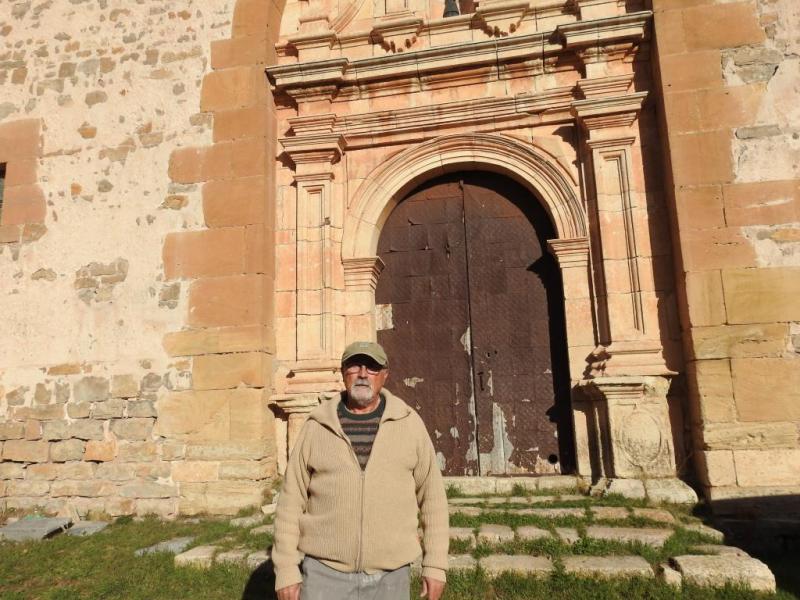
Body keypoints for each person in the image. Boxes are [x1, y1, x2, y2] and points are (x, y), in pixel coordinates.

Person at [272, 341, 449, 600]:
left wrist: (435, 565)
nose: (363, 374)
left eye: (372, 367)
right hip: (324, 573)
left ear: (385, 375)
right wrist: (287, 570)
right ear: (343, 373)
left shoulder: (409, 424)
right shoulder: (317, 426)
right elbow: (290, 502)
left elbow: (433, 498)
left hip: (391, 574)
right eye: (355, 366)